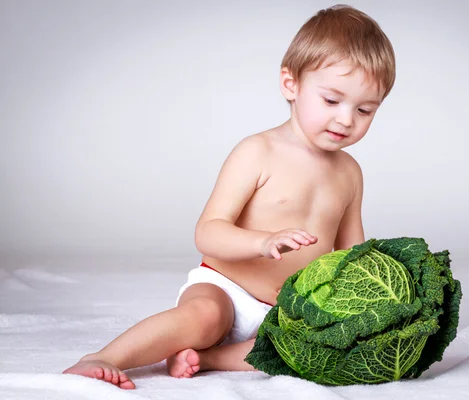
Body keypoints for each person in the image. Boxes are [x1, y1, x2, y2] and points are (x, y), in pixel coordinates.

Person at [63, 4, 395, 389]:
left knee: (304, 349)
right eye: (331, 101)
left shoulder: (350, 172)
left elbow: (351, 251)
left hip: (288, 308)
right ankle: (104, 357)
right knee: (203, 317)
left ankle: (206, 359)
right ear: (291, 84)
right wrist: (263, 241)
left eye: (365, 110)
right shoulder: (257, 151)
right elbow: (208, 233)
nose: (345, 119)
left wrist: (368, 292)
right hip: (226, 289)